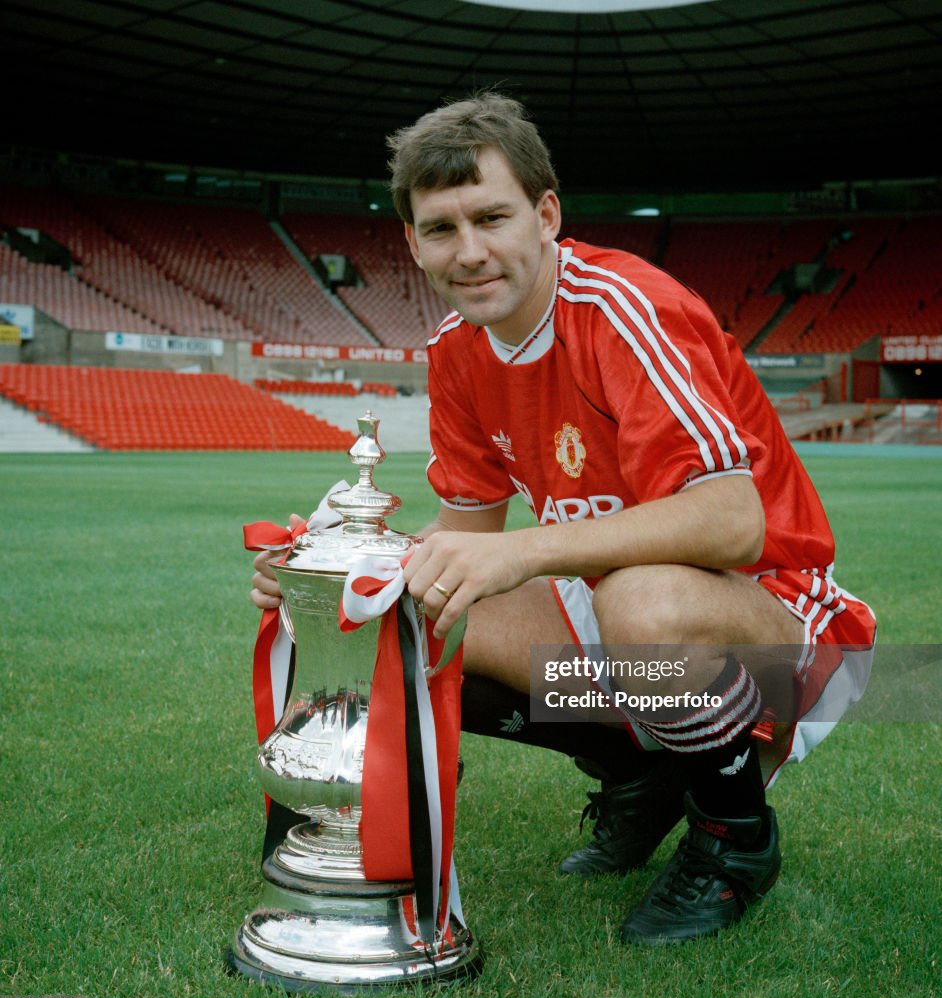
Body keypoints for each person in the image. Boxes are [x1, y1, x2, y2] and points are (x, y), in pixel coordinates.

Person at [251, 92, 876, 945]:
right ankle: (641, 775)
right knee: (409, 605)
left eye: (492, 217)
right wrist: (330, 573)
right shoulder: (457, 352)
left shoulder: (621, 306)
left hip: (782, 620)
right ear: (411, 241)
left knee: (643, 605)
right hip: (614, 614)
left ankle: (735, 836)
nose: (469, 252)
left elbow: (734, 523)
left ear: (545, 214)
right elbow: (466, 544)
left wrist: (529, 551)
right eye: (440, 229)